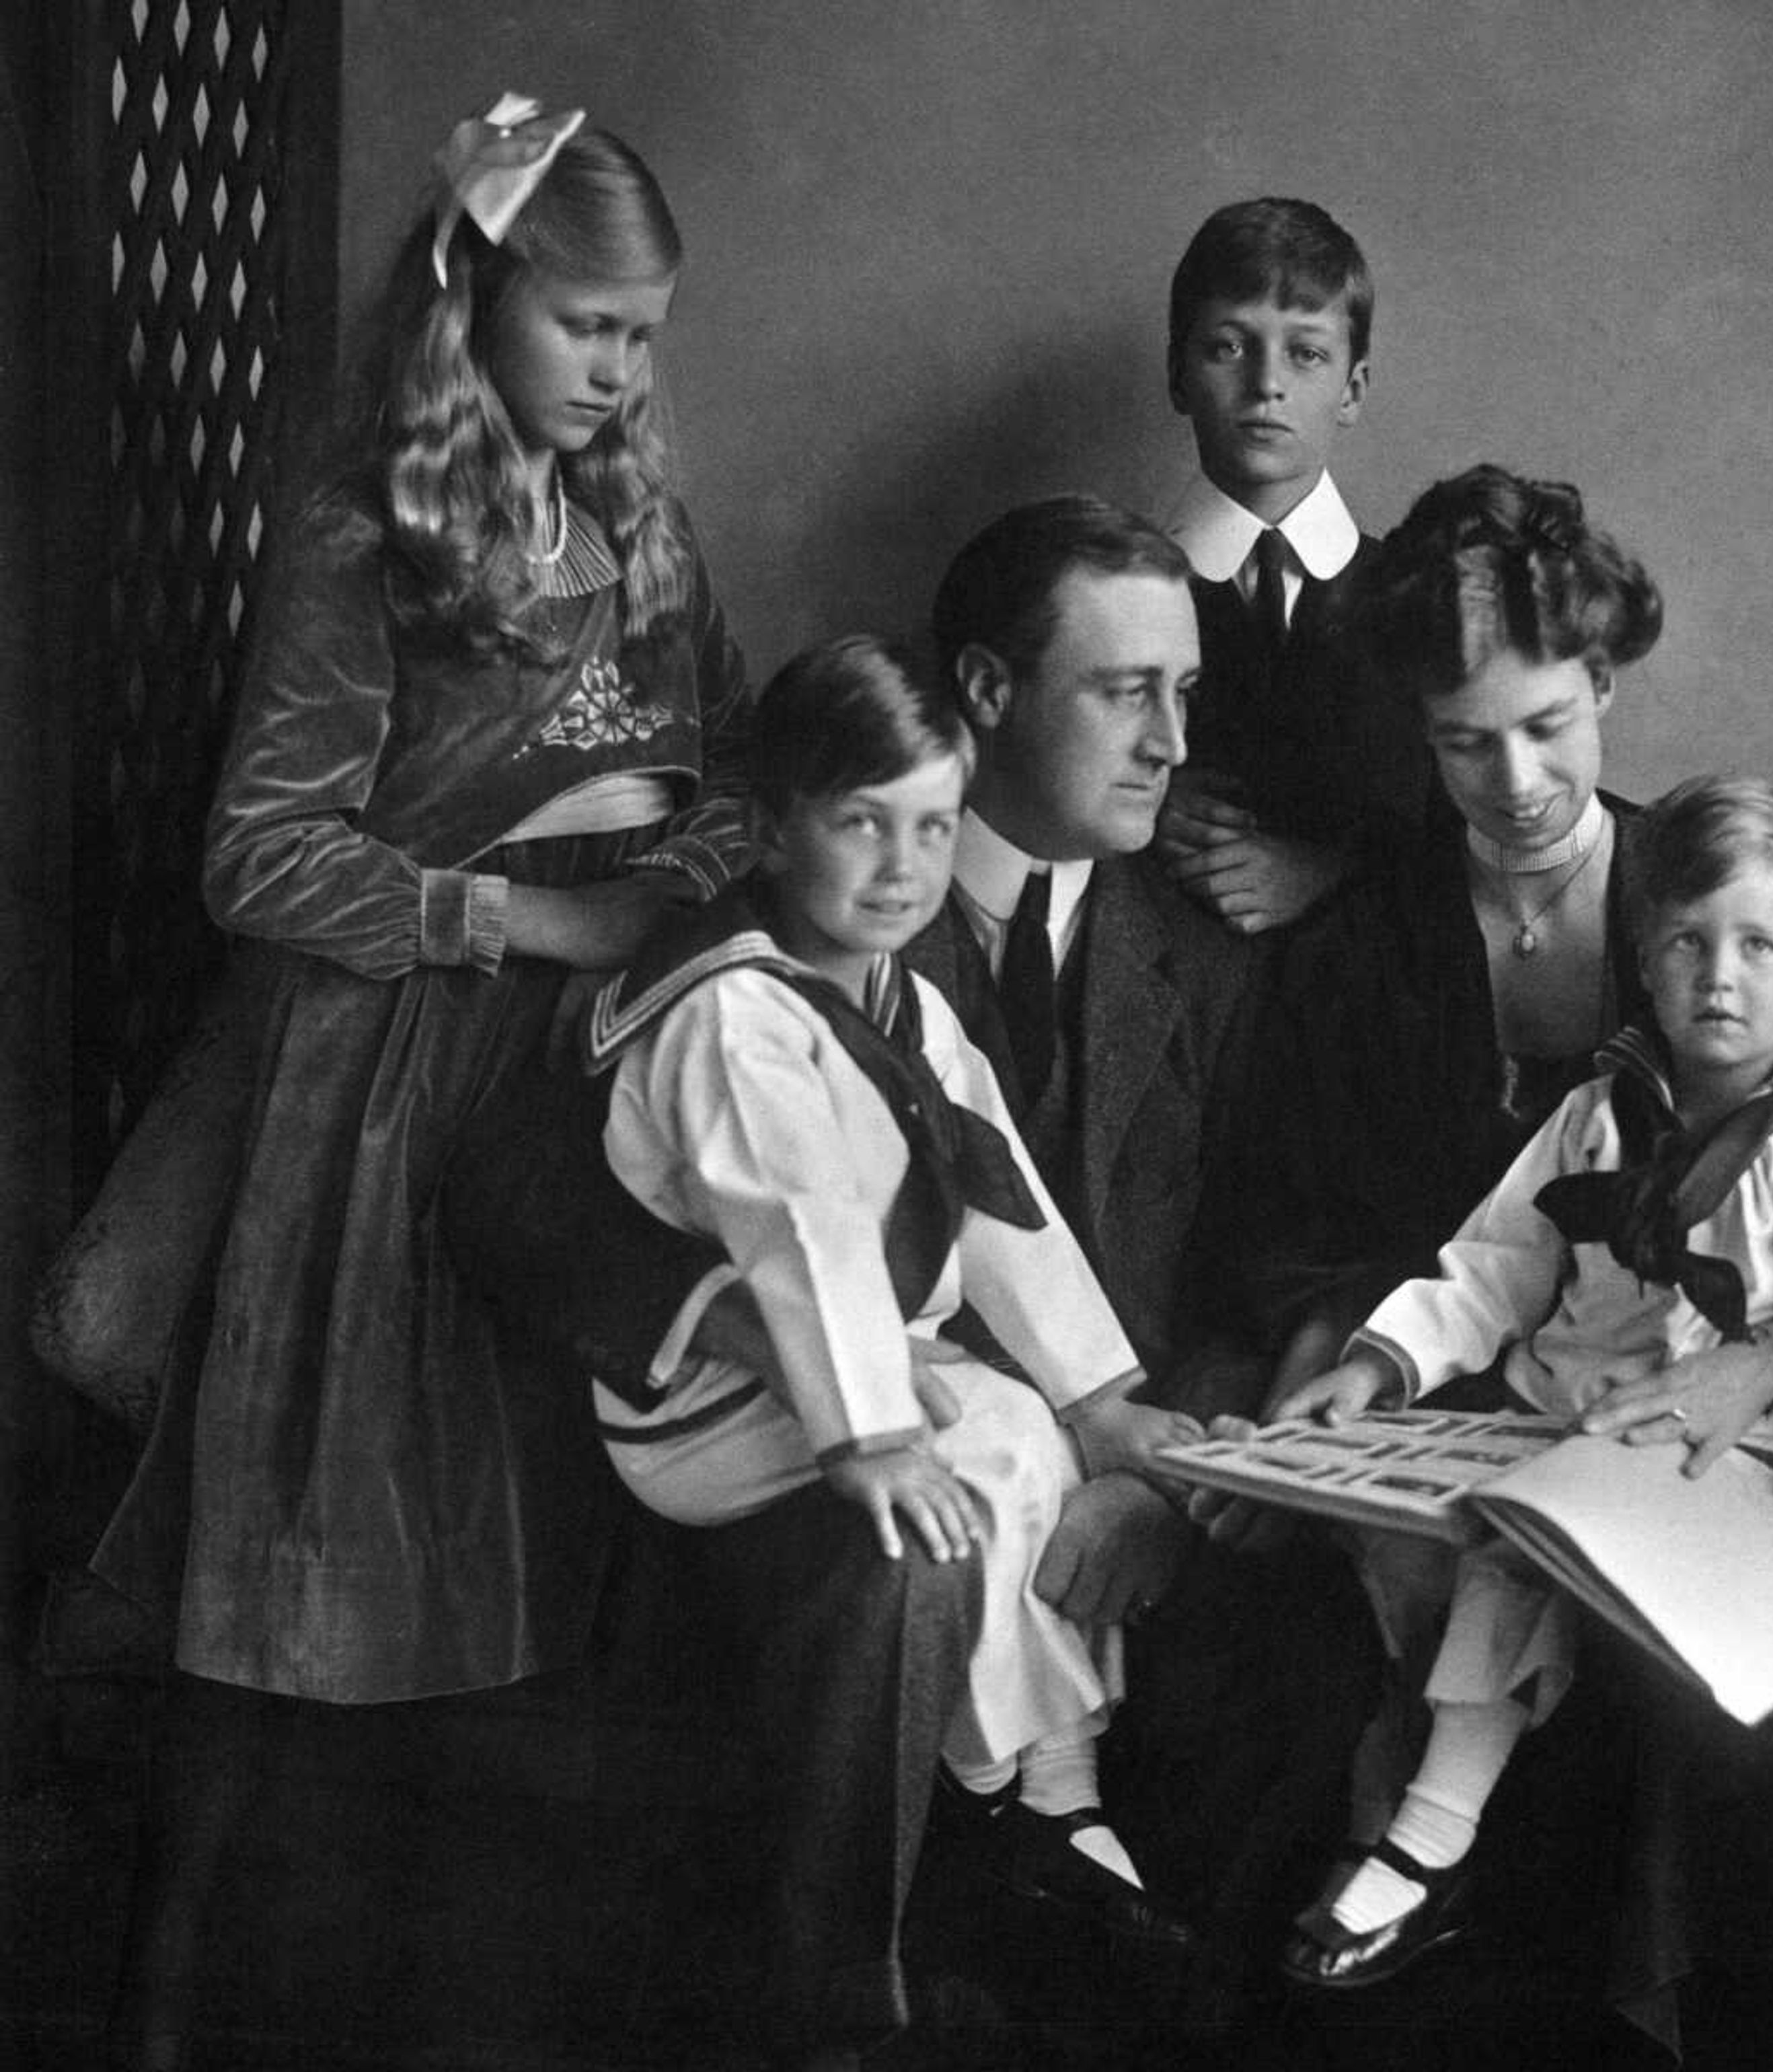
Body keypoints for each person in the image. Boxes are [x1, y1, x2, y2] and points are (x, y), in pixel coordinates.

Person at [441, 497, 1373, 2044]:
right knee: (904, 1576)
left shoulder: (1225, 951)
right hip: (775, 1472)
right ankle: (891, 1957)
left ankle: (1065, 1865)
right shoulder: (753, 966)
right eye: (1120, 690)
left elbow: (1159, 1235)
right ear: (989, 701)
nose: (1168, 741)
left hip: (1105, 1486)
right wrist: (738, 1332)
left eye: (1185, 693)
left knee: (1255, 1688)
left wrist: (1124, 1428)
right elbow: (513, 1206)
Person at [1221, 462, 1773, 2052]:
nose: (1510, 781)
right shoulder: (1367, 932)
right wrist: (1357, 1369)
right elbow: (1399, 1240)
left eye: (1549, 726)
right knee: (1370, 1629)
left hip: (1724, 1419)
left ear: (1608, 691)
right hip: (1484, 1393)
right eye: (1459, 740)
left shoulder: (1714, 898)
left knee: (1656, 1654)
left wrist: (1761, 1366)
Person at [91, 93, 749, 1707]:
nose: (619, 371)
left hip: (589, 1049)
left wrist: (669, 881)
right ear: (473, 300)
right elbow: (257, 853)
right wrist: (524, 920)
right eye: (585, 325)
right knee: (392, 1520)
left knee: (575, 1485)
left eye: (642, 337)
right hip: (390, 1074)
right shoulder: (361, 543)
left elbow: (738, 766)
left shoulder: (637, 533)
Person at [581, 633, 1199, 1970]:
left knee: (1029, 1435)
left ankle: (1055, 1796)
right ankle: (1010, 1800)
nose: (905, 867)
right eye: (862, 825)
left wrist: (1102, 1400)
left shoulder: (907, 1004)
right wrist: (867, 1435)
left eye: (935, 826)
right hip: (709, 1402)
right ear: (771, 828)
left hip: (864, 1359)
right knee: (977, 1464)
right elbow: (798, 1232)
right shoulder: (735, 1010)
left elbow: (1002, 1202)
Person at [1269, 776, 1773, 1990]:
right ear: (1643, 956)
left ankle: (1430, 1835)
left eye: (1756, 946)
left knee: (1530, 1538)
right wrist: (1379, 1361)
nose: (1718, 978)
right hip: (1555, 1413)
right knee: (1427, 1535)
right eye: (1686, 942)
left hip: (1723, 1455)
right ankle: (1404, 1831)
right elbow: (1493, 1265)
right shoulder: (1597, 1112)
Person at [1157, 196, 1431, 934]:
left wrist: (1325, 869)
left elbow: (1461, 823)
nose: (1266, 384)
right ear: (1179, 375)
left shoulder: (1415, 598)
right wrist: (1146, 804)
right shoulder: (1122, 595)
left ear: (1353, 389)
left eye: (1305, 353)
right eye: (1229, 348)